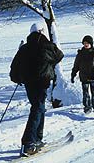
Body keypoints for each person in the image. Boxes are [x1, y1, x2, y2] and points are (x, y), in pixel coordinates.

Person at [10, 23, 64, 157]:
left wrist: (17, 78)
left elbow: (14, 67)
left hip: (29, 83)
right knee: (37, 108)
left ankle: (37, 139)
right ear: (42, 32)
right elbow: (59, 55)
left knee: (39, 108)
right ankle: (28, 142)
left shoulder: (24, 48)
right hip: (42, 82)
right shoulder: (46, 46)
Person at [71, 36, 94, 113]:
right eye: (84, 43)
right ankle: (87, 107)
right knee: (85, 93)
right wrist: (73, 74)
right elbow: (76, 65)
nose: (86, 44)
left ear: (90, 44)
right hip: (84, 77)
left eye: (87, 43)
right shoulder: (80, 53)